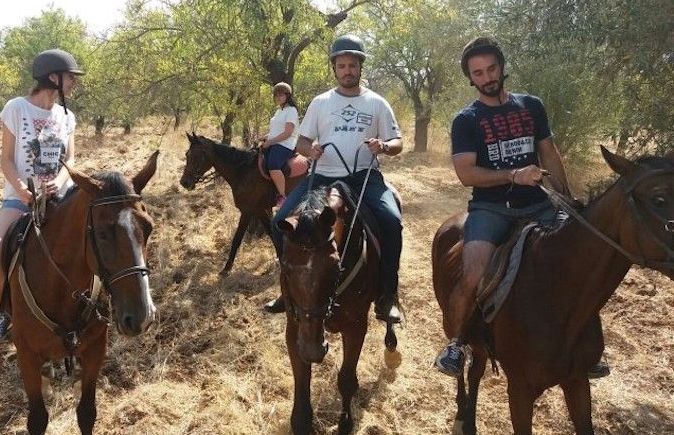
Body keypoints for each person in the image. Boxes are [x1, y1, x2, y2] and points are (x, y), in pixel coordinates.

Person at [433, 36, 609, 378]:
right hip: (491, 209)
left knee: (584, 264)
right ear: (471, 78)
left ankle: (591, 347)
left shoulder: (531, 106)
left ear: (502, 67)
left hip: (540, 205)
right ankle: (455, 343)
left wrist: (567, 198)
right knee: (472, 275)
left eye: (491, 68)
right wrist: (513, 174)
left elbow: (549, 154)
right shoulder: (466, 120)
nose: (487, 77)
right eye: (478, 73)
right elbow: (466, 173)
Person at [264, 34, 404, 324]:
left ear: (360, 68)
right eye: (342, 65)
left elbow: (398, 142)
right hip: (323, 176)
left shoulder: (377, 103)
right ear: (334, 69)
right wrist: (309, 149)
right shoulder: (321, 102)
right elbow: (301, 141)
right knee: (280, 223)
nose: (347, 71)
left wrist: (385, 146)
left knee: (391, 221)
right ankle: (287, 288)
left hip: (364, 177)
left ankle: (387, 294)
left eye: (353, 65)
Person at [0, 48, 84, 344]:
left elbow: (72, 160)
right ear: (52, 77)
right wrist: (23, 190)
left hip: (60, 198)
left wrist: (59, 182)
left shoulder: (67, 116)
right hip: (20, 197)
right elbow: (5, 159)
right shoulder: (16, 108)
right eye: (69, 78)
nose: (73, 83)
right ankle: (5, 312)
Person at [260, 82, 299, 207]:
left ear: (287, 95)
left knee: (273, 164)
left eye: (281, 95)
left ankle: (282, 196)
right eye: (276, 95)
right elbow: (275, 131)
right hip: (275, 141)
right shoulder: (278, 112)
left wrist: (270, 142)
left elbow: (288, 132)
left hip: (286, 144)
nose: (278, 97)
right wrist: (264, 137)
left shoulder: (291, 111)